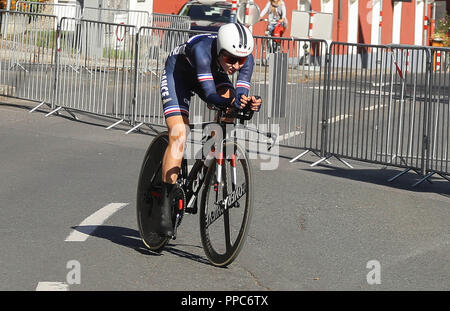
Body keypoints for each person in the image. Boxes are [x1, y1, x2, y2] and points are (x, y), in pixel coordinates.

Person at [156, 23, 262, 237]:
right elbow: (210, 96)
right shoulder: (202, 51)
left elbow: (240, 93)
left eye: (241, 60)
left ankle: (212, 153)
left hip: (213, 74)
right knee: (179, 133)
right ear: (220, 50)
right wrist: (232, 103)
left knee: (232, 105)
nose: (236, 65)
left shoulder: (244, 58)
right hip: (179, 74)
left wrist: (249, 101)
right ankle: (165, 203)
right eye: (231, 59)